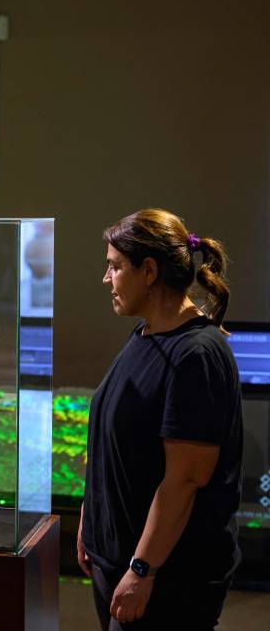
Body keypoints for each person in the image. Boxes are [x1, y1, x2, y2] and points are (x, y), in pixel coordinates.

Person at [78, 209, 243, 630]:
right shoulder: (146, 333)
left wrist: (142, 569)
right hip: (116, 561)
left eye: (115, 266)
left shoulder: (197, 355)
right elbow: (113, 443)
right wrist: (90, 521)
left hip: (167, 580)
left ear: (148, 271)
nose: (105, 278)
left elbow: (184, 480)